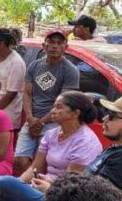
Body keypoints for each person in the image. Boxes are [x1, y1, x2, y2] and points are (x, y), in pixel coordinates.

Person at [14, 29, 80, 173]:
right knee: (20, 160)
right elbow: (26, 93)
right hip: (32, 121)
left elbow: (64, 103)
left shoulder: (70, 70)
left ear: (66, 47)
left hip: (55, 123)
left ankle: (38, 191)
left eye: (59, 43)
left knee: (42, 165)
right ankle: (28, 189)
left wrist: (41, 122)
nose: (54, 46)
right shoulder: (34, 66)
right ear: (43, 46)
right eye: (51, 42)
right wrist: (31, 119)